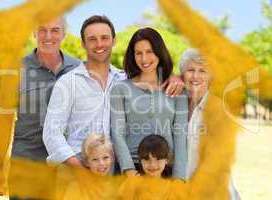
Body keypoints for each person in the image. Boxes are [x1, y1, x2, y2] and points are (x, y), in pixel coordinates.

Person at [43, 16, 185, 168]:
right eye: (92, 39)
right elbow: (51, 134)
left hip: (115, 168)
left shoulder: (125, 80)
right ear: (83, 44)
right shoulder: (68, 83)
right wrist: (80, 168)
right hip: (77, 165)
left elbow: (152, 80)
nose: (99, 44)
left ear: (114, 41)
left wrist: (173, 78)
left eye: (104, 38)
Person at [9, 16, 80, 200]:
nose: (48, 36)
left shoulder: (78, 68)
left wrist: (163, 77)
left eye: (55, 30)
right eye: (42, 29)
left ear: (63, 34)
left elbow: (114, 79)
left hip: (67, 168)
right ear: (34, 33)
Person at [110, 27, 188, 180]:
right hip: (133, 170)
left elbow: (180, 136)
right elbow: (118, 133)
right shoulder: (120, 89)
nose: (144, 59)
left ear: (159, 52)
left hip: (166, 171)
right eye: (138, 53)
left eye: (149, 51)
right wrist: (129, 170)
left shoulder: (177, 90)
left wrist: (179, 178)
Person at [179, 48, 241, 200]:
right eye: (190, 70)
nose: (195, 76)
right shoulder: (177, 105)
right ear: (182, 74)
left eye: (202, 71)